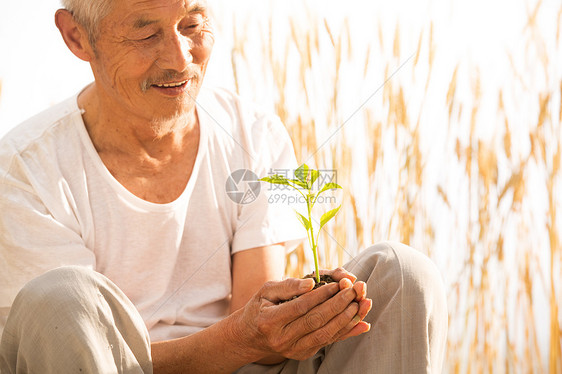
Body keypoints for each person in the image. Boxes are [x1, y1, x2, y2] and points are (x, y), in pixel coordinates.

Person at [0, 0, 448, 373]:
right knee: (63, 297)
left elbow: (259, 336)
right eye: (146, 34)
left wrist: (302, 317)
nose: (180, 59)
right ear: (77, 37)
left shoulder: (253, 133)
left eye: (192, 25)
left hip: (242, 366)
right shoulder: (24, 170)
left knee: (403, 272)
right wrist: (242, 337)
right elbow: (71, 349)